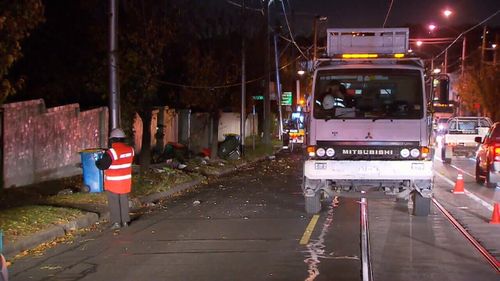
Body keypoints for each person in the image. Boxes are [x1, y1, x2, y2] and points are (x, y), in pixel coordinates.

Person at [96, 128, 135, 229]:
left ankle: (116, 223)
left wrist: (97, 161)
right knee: (124, 201)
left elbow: (103, 165)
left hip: (113, 182)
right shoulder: (131, 150)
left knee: (114, 202)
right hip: (125, 181)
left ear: (112, 140)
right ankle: (125, 221)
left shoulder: (112, 152)